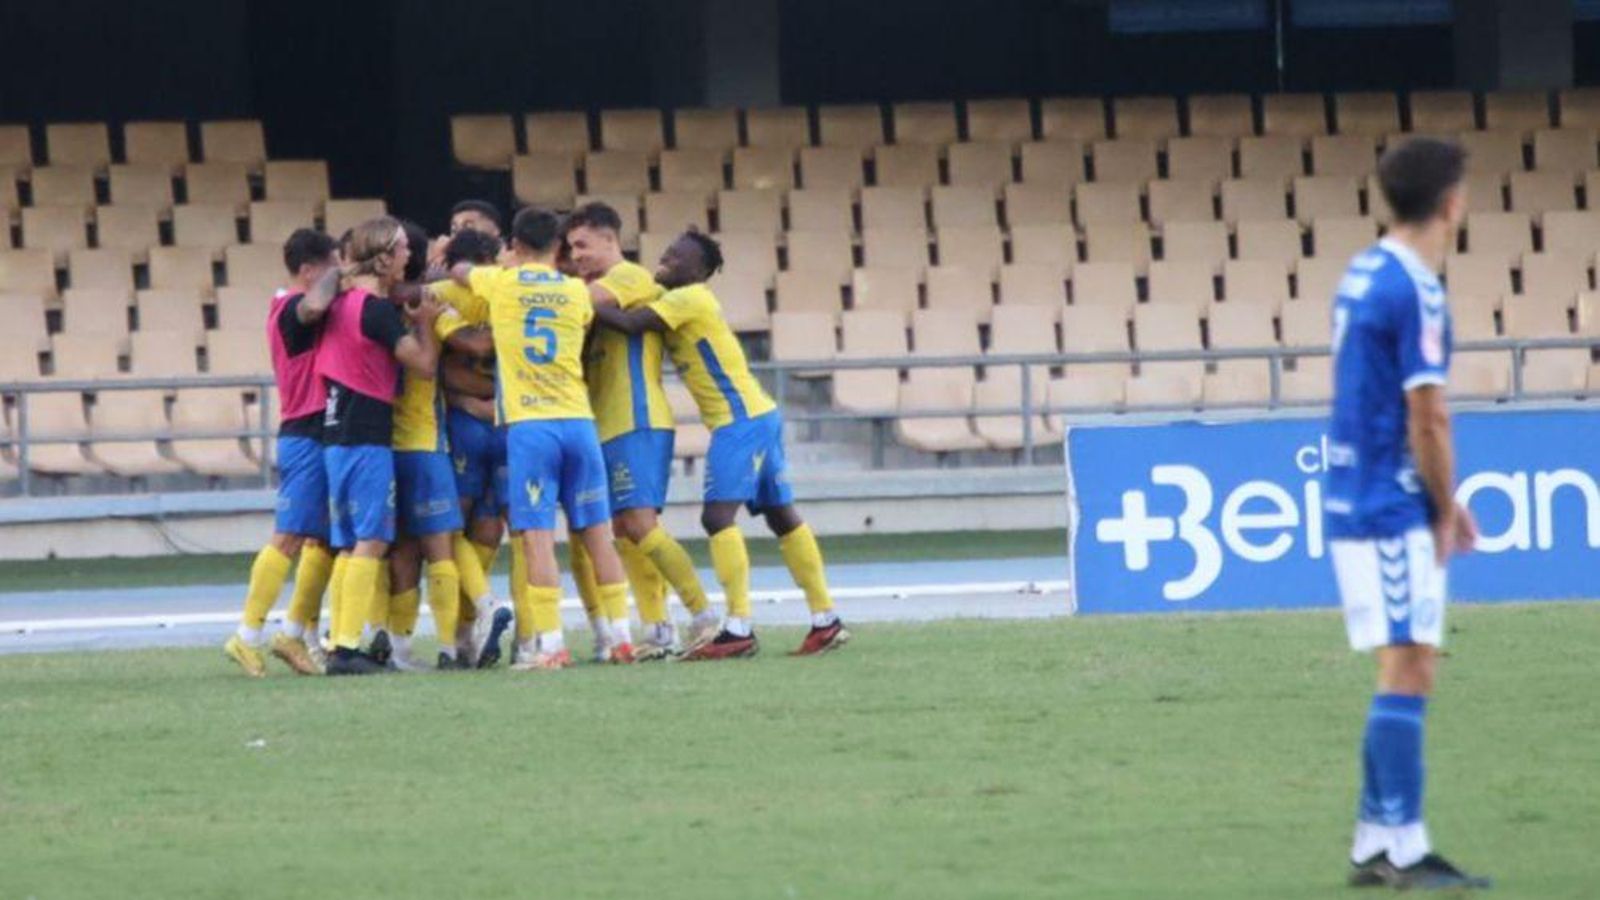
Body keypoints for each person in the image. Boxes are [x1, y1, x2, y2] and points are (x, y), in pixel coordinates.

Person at [1323, 137, 1490, 891]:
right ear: (1451, 202)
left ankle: (1374, 840)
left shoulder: (1363, 271)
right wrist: (1442, 505)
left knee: (1404, 660)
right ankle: (1406, 847)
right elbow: (1429, 415)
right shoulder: (1415, 288)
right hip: (1387, 501)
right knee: (1410, 663)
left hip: (1357, 489)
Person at [593, 230, 850, 660]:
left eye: (676, 257)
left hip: (738, 421)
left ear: (699, 271)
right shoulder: (680, 298)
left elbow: (631, 322)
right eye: (666, 253)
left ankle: (737, 628)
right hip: (760, 413)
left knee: (717, 518)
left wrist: (577, 301)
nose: (664, 259)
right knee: (781, 515)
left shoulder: (689, 298)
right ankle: (825, 618)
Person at [430, 206, 630, 671]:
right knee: (598, 534)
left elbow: (461, 272)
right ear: (559, 246)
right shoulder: (576, 292)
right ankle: (621, 637)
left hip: (531, 427)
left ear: (514, 245)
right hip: (579, 422)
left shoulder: (501, 283)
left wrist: (452, 257)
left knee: (536, 537)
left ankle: (551, 644)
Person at [565, 202, 717, 661]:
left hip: (637, 417)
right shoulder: (594, 287)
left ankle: (704, 615)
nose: (577, 256)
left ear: (610, 239)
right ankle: (658, 627)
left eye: (582, 245)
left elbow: (578, 303)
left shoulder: (629, 277)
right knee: (623, 529)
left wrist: (528, 286)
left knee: (640, 524)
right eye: (570, 248)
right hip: (606, 422)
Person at [318, 217, 443, 676]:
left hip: (336, 430)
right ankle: (346, 648)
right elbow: (424, 365)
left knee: (350, 543)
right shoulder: (376, 312)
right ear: (385, 255)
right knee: (372, 539)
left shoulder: (342, 303)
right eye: (404, 248)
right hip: (367, 433)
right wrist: (426, 324)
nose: (410, 255)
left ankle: (340, 641)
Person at [376, 224, 504, 671]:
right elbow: (461, 350)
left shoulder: (385, 304)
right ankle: (468, 628)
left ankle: (386, 641)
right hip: (430, 438)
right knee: (452, 538)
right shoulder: (435, 302)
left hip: (392, 439)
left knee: (398, 546)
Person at [223, 230, 342, 677]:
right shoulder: (291, 307)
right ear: (309, 270)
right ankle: (246, 634)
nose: (337, 274)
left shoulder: (294, 305)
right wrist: (346, 273)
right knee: (289, 537)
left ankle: (292, 633)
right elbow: (315, 305)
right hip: (305, 430)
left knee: (324, 541)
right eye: (330, 266)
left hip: (320, 430)